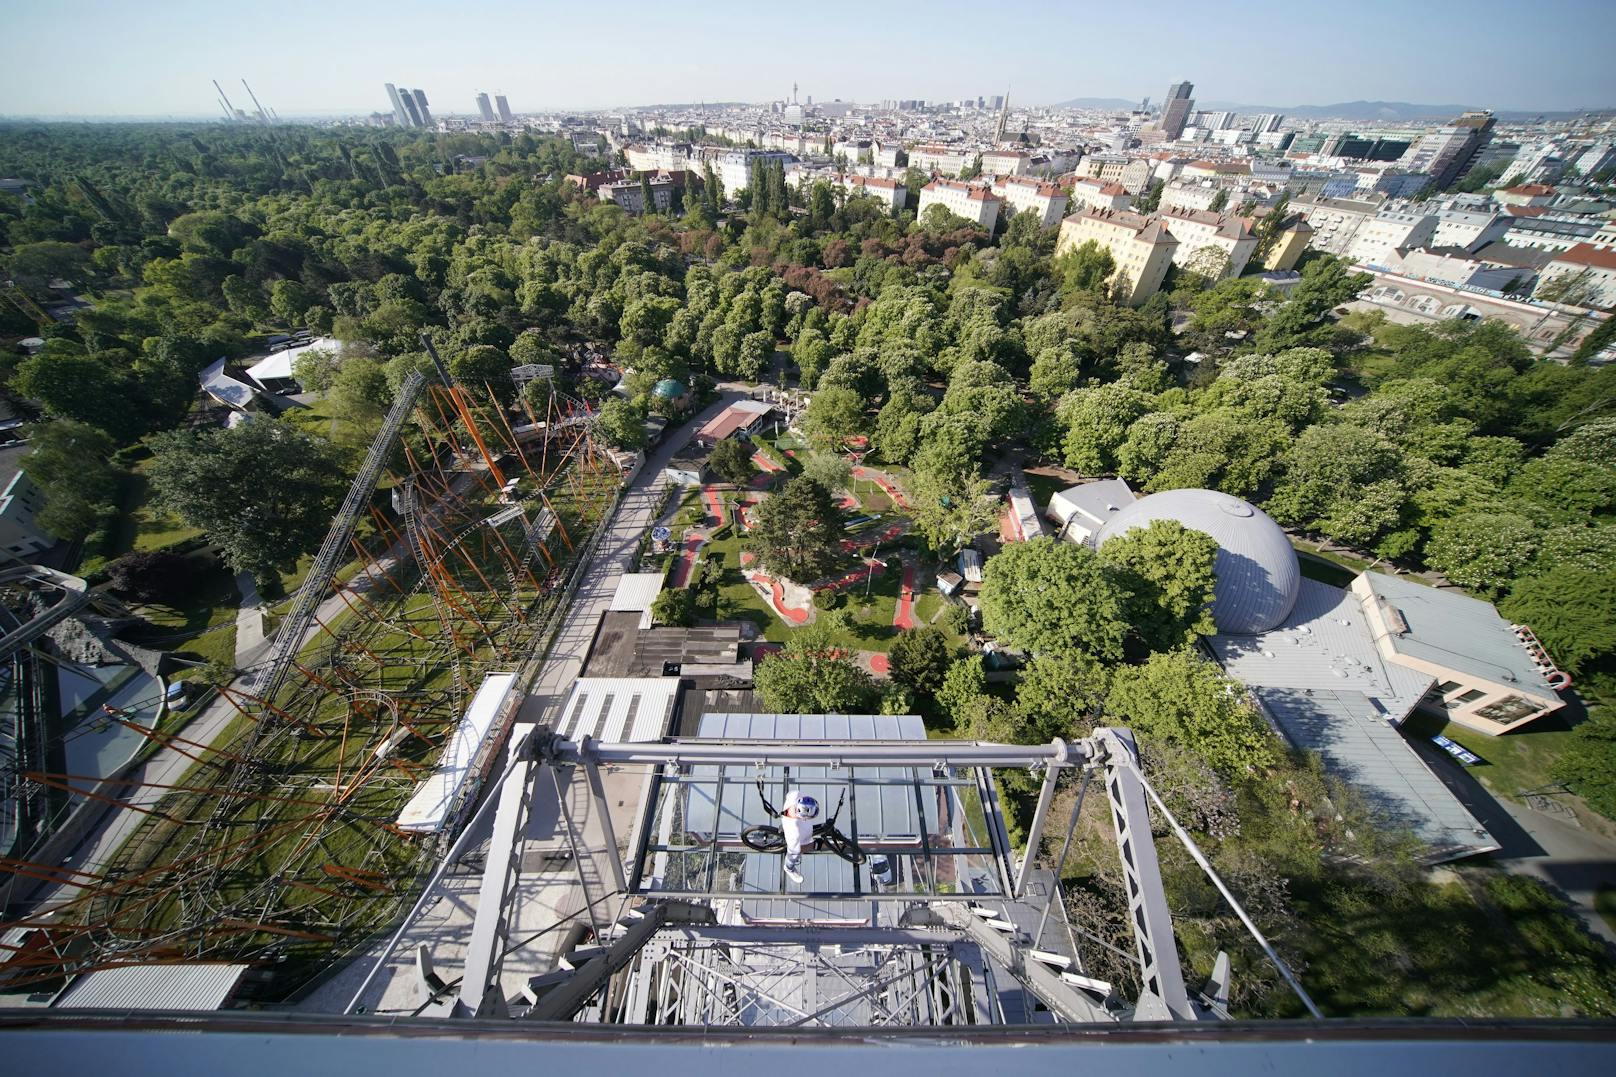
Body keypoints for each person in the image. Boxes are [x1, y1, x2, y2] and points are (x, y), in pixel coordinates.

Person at [779, 789, 819, 884]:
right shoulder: (794, 832)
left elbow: (790, 794)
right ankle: (789, 868)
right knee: (797, 852)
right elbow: (795, 851)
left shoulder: (795, 796)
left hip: (794, 818)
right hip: (793, 833)